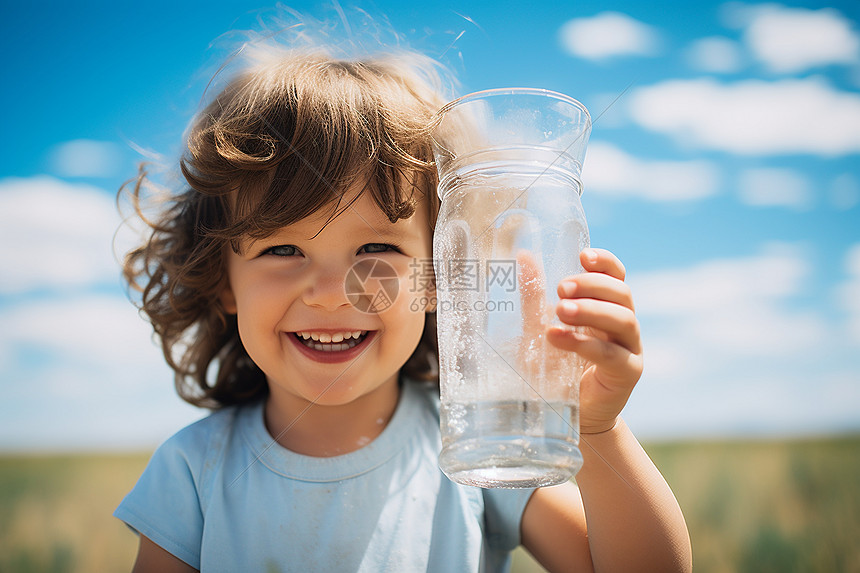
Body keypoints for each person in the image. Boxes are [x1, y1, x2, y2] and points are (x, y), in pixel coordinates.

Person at [114, 41, 692, 573]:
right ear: (224, 283)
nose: (333, 291)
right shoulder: (193, 472)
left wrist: (595, 429)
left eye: (376, 248)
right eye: (282, 247)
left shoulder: (480, 444)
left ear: (441, 274)